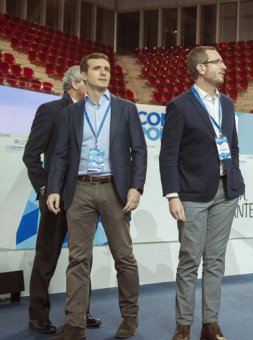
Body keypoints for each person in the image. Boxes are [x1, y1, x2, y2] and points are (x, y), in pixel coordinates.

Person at [46, 53, 146, 339]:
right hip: (79, 190)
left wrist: (136, 187)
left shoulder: (126, 109)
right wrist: (54, 188)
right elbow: (61, 155)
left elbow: (139, 151)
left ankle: (130, 318)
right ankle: (75, 325)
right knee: (78, 260)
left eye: (106, 69)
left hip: (115, 189)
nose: (104, 73)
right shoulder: (71, 113)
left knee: (124, 258)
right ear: (84, 75)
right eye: (97, 69)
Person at [159, 45, 245, 340]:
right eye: (217, 62)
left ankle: (210, 324)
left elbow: (231, 146)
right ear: (200, 68)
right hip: (192, 194)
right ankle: (183, 324)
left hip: (226, 192)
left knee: (216, 260)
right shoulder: (179, 106)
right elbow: (168, 154)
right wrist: (172, 194)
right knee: (189, 260)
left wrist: (234, 178)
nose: (224, 66)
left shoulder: (229, 104)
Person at [22, 66, 102, 334]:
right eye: (88, 76)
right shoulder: (50, 110)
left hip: (85, 196)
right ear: (77, 82)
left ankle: (81, 312)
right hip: (55, 199)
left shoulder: (94, 112)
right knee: (47, 258)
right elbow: (31, 155)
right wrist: (45, 189)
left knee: (82, 259)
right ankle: (37, 316)